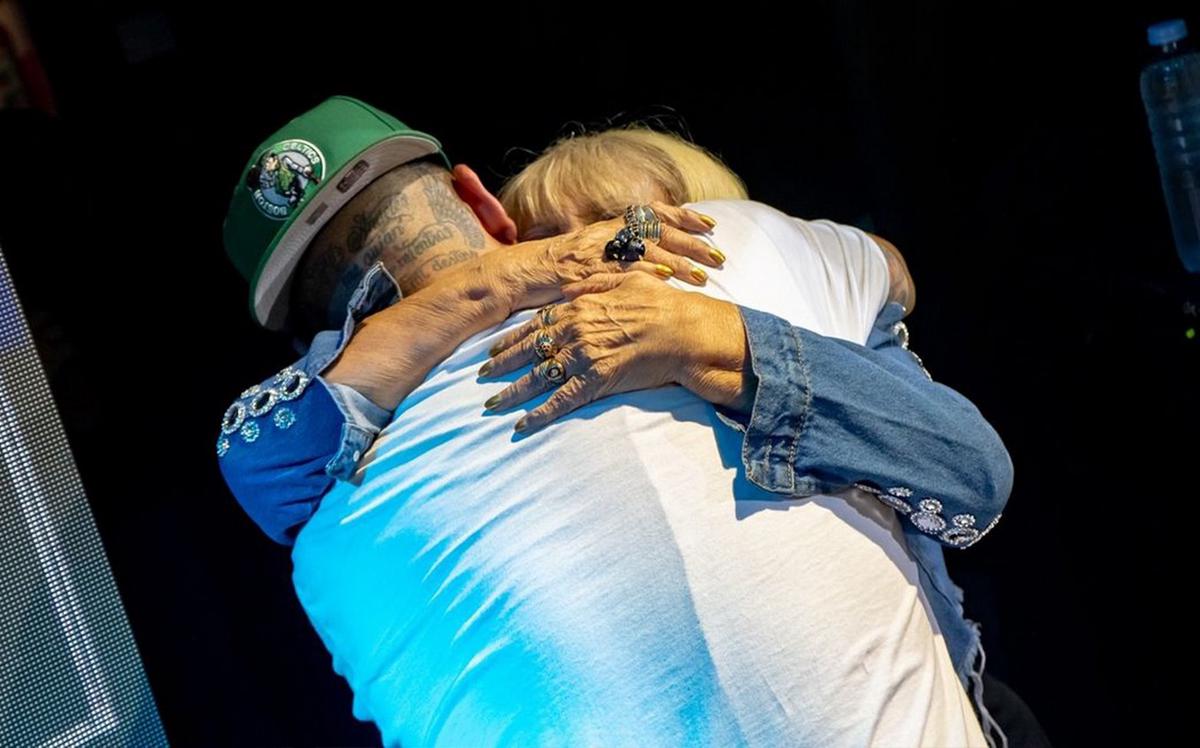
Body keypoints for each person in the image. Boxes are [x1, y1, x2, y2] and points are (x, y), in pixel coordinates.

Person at [218, 97, 1020, 745]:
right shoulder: (744, 248)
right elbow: (889, 270)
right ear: (485, 206)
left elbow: (967, 461)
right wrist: (511, 281)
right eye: (551, 239)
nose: (593, 257)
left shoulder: (327, 529)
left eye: (622, 225)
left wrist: (719, 338)